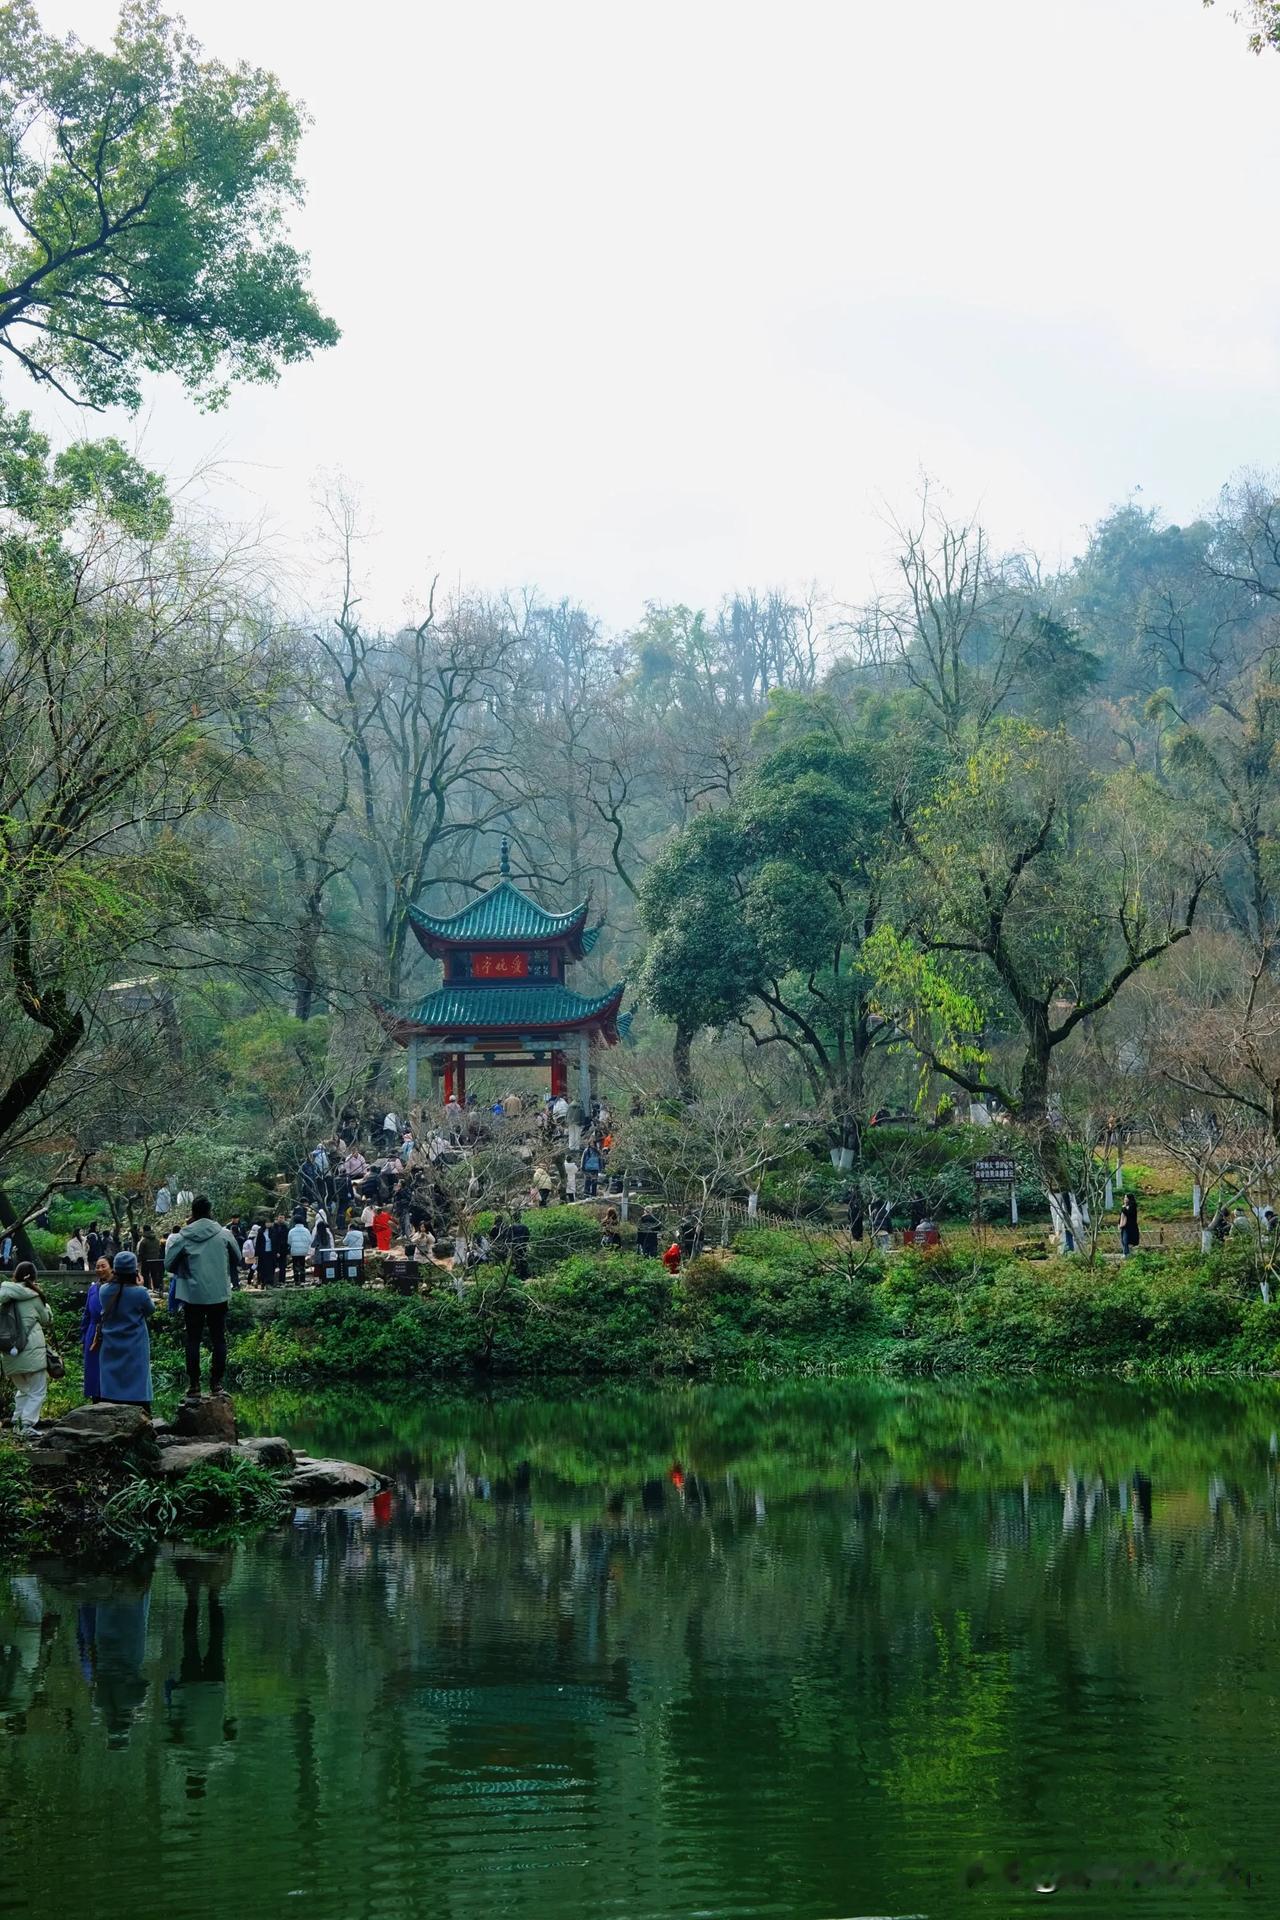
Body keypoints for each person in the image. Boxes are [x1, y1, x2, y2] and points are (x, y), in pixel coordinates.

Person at [164, 1196, 240, 1400]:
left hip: (192, 1295)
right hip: (218, 1294)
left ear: (193, 1212)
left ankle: (194, 1385)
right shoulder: (224, 1234)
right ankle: (216, 1384)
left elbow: (168, 1264)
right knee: (219, 1339)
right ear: (210, 1210)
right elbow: (238, 1258)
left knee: (193, 1339)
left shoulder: (183, 1237)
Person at [98, 1252, 154, 1413]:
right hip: (135, 1344)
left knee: (112, 1378)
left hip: (110, 1343)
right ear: (134, 1271)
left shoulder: (104, 1290)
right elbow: (150, 1310)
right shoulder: (139, 1293)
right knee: (137, 1378)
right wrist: (141, 1286)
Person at [0, 1262, 52, 1431]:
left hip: (9, 1351)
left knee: (23, 1390)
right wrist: (46, 1304)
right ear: (34, 1277)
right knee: (37, 1390)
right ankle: (27, 1424)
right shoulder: (34, 1296)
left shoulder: (4, 1295)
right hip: (31, 1351)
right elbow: (47, 1320)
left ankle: (17, 1423)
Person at [310, 1207, 336, 1281]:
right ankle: (326, 1280)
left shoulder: (316, 1233)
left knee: (319, 1268)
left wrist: (311, 1252)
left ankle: (319, 1280)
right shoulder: (328, 1233)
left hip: (318, 1255)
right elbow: (331, 1245)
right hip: (327, 1255)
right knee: (326, 1267)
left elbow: (313, 1244)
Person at [137, 1224, 164, 1292]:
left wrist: (139, 1261)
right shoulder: (157, 1240)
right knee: (155, 1275)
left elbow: (140, 1252)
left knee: (145, 1275)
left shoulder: (144, 1241)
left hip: (146, 1261)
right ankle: (157, 1289)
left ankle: (147, 1289)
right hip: (155, 1260)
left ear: (144, 1230)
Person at [287, 1214, 311, 1285]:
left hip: (294, 1251)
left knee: (295, 1265)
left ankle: (296, 1280)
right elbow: (310, 1240)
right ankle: (303, 1280)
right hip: (303, 1250)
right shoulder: (306, 1230)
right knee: (302, 1265)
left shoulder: (291, 1231)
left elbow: (289, 1241)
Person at [1119, 1192, 1140, 1258]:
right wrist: (1119, 1223)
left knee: (1126, 1240)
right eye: (1124, 1197)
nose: (1125, 1199)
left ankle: (1126, 1253)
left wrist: (1123, 1208)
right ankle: (1126, 1252)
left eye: (1126, 1197)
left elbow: (1128, 1214)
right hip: (1124, 1226)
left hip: (1130, 1226)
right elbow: (1121, 1216)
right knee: (1123, 1240)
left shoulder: (1132, 1207)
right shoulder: (1124, 1206)